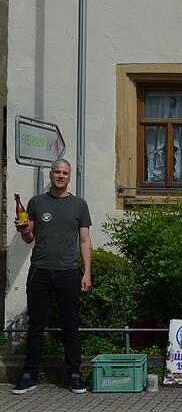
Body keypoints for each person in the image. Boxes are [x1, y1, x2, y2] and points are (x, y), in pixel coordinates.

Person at [12, 159, 92, 394]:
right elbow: (29, 237)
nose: (60, 175)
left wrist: (87, 272)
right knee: (36, 325)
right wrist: (24, 231)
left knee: (70, 324)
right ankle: (29, 374)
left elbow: (85, 241)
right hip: (40, 271)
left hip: (68, 272)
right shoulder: (37, 202)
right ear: (50, 175)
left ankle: (74, 374)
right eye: (57, 171)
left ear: (69, 177)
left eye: (64, 172)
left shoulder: (79, 204)